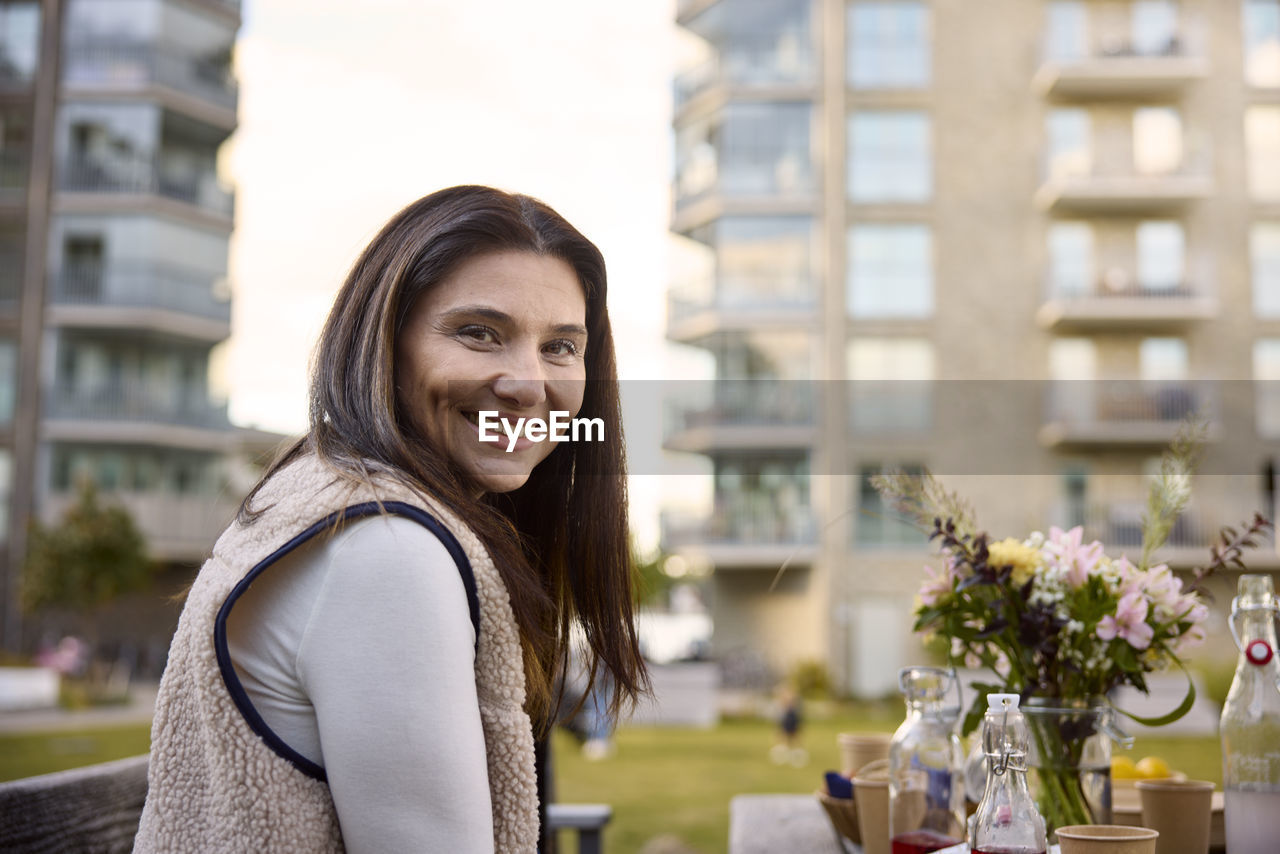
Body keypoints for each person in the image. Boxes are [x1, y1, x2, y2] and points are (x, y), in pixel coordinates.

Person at [133, 186, 650, 853]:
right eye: (478, 333)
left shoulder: (330, 498)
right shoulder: (387, 551)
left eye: (560, 347)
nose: (528, 383)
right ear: (385, 344)